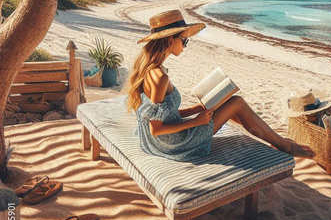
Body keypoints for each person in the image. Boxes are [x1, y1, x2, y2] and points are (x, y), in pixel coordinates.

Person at [126, 10, 314, 162]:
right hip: (177, 144)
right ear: (169, 40)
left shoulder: (150, 70)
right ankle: (284, 146)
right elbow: (156, 128)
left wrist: (196, 109)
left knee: (230, 105)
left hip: (167, 139)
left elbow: (164, 115)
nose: (185, 46)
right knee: (237, 103)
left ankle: (277, 141)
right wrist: (196, 121)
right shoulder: (159, 78)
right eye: (184, 41)